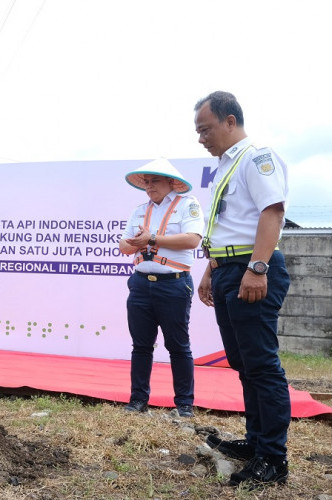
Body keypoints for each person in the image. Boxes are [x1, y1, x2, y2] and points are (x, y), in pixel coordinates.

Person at [194, 91, 291, 487]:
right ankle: (255, 441)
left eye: (206, 129)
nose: (201, 138)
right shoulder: (226, 165)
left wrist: (257, 267)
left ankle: (273, 458)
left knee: (262, 366)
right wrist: (210, 269)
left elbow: (273, 210)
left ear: (230, 121)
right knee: (244, 363)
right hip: (228, 268)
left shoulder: (256, 156)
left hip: (252, 269)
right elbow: (229, 225)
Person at [119, 159, 203, 418]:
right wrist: (135, 242)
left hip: (174, 284)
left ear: (171, 183)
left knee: (178, 345)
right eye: (146, 182)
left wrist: (152, 238)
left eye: (154, 180)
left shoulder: (187, 205)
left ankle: (185, 404)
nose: (149, 186)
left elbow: (192, 240)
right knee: (141, 346)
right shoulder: (139, 210)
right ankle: (138, 400)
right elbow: (124, 246)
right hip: (141, 285)